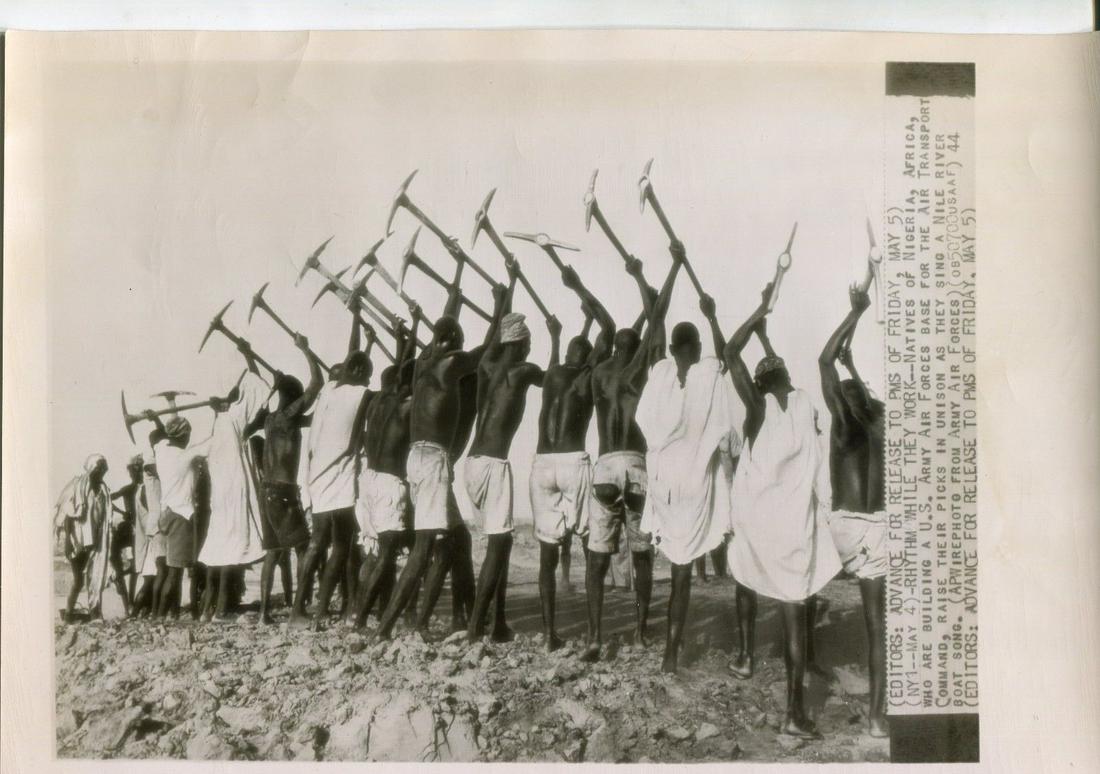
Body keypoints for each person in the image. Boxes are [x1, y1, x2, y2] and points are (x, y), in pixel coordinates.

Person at [723, 283, 841, 739]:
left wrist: (760, 308)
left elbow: (732, 349)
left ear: (758, 385)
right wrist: (769, 341)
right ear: (787, 379)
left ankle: (746, 655)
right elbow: (781, 378)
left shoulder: (757, 406)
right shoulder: (806, 404)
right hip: (795, 531)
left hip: (758, 527)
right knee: (794, 615)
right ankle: (794, 712)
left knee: (744, 575)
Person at [373, 280, 512, 641]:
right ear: (453, 343)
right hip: (433, 460)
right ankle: (385, 629)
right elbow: (488, 348)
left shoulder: (421, 364)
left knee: (457, 539)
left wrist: (453, 294)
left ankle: (460, 621)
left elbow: (445, 323)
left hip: (416, 460)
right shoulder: (450, 363)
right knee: (423, 550)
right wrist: (501, 303)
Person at [583, 242, 683, 660]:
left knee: (597, 558)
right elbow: (657, 320)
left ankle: (593, 637)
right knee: (641, 556)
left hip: (606, 467)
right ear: (637, 349)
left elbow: (642, 325)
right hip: (638, 466)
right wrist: (666, 269)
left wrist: (638, 280)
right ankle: (640, 632)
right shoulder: (640, 370)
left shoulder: (599, 375)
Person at [637, 294, 741, 674]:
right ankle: (671, 653)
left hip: (664, 485)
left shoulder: (660, 372)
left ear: (670, 349)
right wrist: (713, 316)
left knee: (677, 571)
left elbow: (654, 336)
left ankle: (668, 655)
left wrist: (652, 297)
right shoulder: (706, 371)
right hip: (694, 482)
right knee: (683, 574)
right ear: (696, 348)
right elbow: (729, 354)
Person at [530, 265, 615, 650]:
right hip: (572, 460)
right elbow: (608, 329)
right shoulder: (585, 377)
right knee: (587, 543)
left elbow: (573, 350)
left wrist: (561, 334)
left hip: (541, 464)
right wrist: (578, 285)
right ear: (588, 358)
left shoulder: (551, 376)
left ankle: (549, 636)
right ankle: (594, 633)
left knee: (548, 553)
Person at [464, 310, 558, 643]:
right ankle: (477, 626)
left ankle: (498, 622)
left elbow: (492, 340)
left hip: (472, 463)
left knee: (498, 546)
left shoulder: (487, 367)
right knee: (499, 543)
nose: (531, 347)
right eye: (529, 342)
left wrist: (505, 294)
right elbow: (553, 380)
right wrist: (557, 336)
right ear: (518, 343)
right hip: (493, 463)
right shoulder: (523, 371)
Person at [819, 286, 888, 737]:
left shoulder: (842, 427)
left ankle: (803, 661)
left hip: (842, 525)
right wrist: (854, 365)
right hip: (877, 527)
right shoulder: (878, 426)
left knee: (799, 590)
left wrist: (854, 312)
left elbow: (824, 360)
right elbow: (852, 383)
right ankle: (878, 719)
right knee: (876, 626)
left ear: (843, 404)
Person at [292, 328, 373, 629]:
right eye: (367, 375)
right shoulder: (360, 393)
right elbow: (374, 382)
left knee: (318, 544)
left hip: (318, 480)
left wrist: (355, 316)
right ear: (359, 373)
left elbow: (351, 357)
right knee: (340, 546)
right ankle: (323, 611)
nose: (367, 382)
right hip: (339, 479)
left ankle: (304, 612)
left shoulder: (330, 391)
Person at [242, 334, 323, 624]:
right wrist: (306, 349)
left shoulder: (271, 419)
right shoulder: (289, 414)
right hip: (283, 491)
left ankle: (264, 614)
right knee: (303, 548)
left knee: (274, 553)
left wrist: (249, 357)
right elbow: (317, 385)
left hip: (266, 491)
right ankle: (298, 611)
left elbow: (315, 415)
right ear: (294, 397)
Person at [351, 318, 419, 628]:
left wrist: (406, 335)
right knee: (388, 554)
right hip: (391, 483)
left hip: (368, 481)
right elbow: (405, 372)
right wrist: (409, 333)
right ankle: (365, 618)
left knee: (375, 551)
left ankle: (363, 611)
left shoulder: (374, 402)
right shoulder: (406, 406)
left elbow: (400, 367)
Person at [196, 364, 272, 621]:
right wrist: (250, 359)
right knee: (230, 550)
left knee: (216, 548)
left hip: (220, 494)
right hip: (234, 492)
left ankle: (207, 610)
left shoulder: (218, 424)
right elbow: (265, 396)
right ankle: (219, 611)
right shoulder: (235, 418)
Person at [145, 413, 202, 619]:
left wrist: (156, 420)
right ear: (182, 435)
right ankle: (160, 617)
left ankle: (165, 615)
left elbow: (159, 436)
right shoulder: (187, 455)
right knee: (174, 572)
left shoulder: (161, 450)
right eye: (188, 435)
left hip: (165, 513)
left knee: (170, 571)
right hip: (181, 515)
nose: (189, 439)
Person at [53, 454, 113, 622]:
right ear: (93, 468)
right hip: (77, 542)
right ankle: (69, 614)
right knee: (78, 580)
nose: (102, 472)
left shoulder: (103, 491)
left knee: (96, 577)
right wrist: (68, 543)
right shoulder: (77, 486)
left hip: (96, 542)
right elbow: (66, 516)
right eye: (99, 469)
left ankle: (95, 612)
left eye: (103, 469)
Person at [109, 455, 149, 615]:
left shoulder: (132, 489)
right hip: (134, 530)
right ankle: (130, 604)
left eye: (134, 471)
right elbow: (108, 499)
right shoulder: (137, 489)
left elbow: (108, 499)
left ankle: (130, 604)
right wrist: (123, 512)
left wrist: (122, 512)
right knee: (132, 568)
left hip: (134, 529)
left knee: (133, 569)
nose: (133, 474)